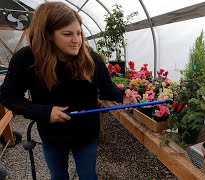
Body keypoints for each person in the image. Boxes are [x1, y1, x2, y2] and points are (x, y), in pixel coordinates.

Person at [0, 2, 137, 180]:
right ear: (47, 35)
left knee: (88, 175)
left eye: (79, 33)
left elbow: (106, 88)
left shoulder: (90, 58)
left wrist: (122, 94)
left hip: (86, 133)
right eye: (67, 34)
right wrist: (45, 112)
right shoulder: (27, 60)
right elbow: (8, 96)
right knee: (58, 175)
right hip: (52, 134)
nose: (77, 40)